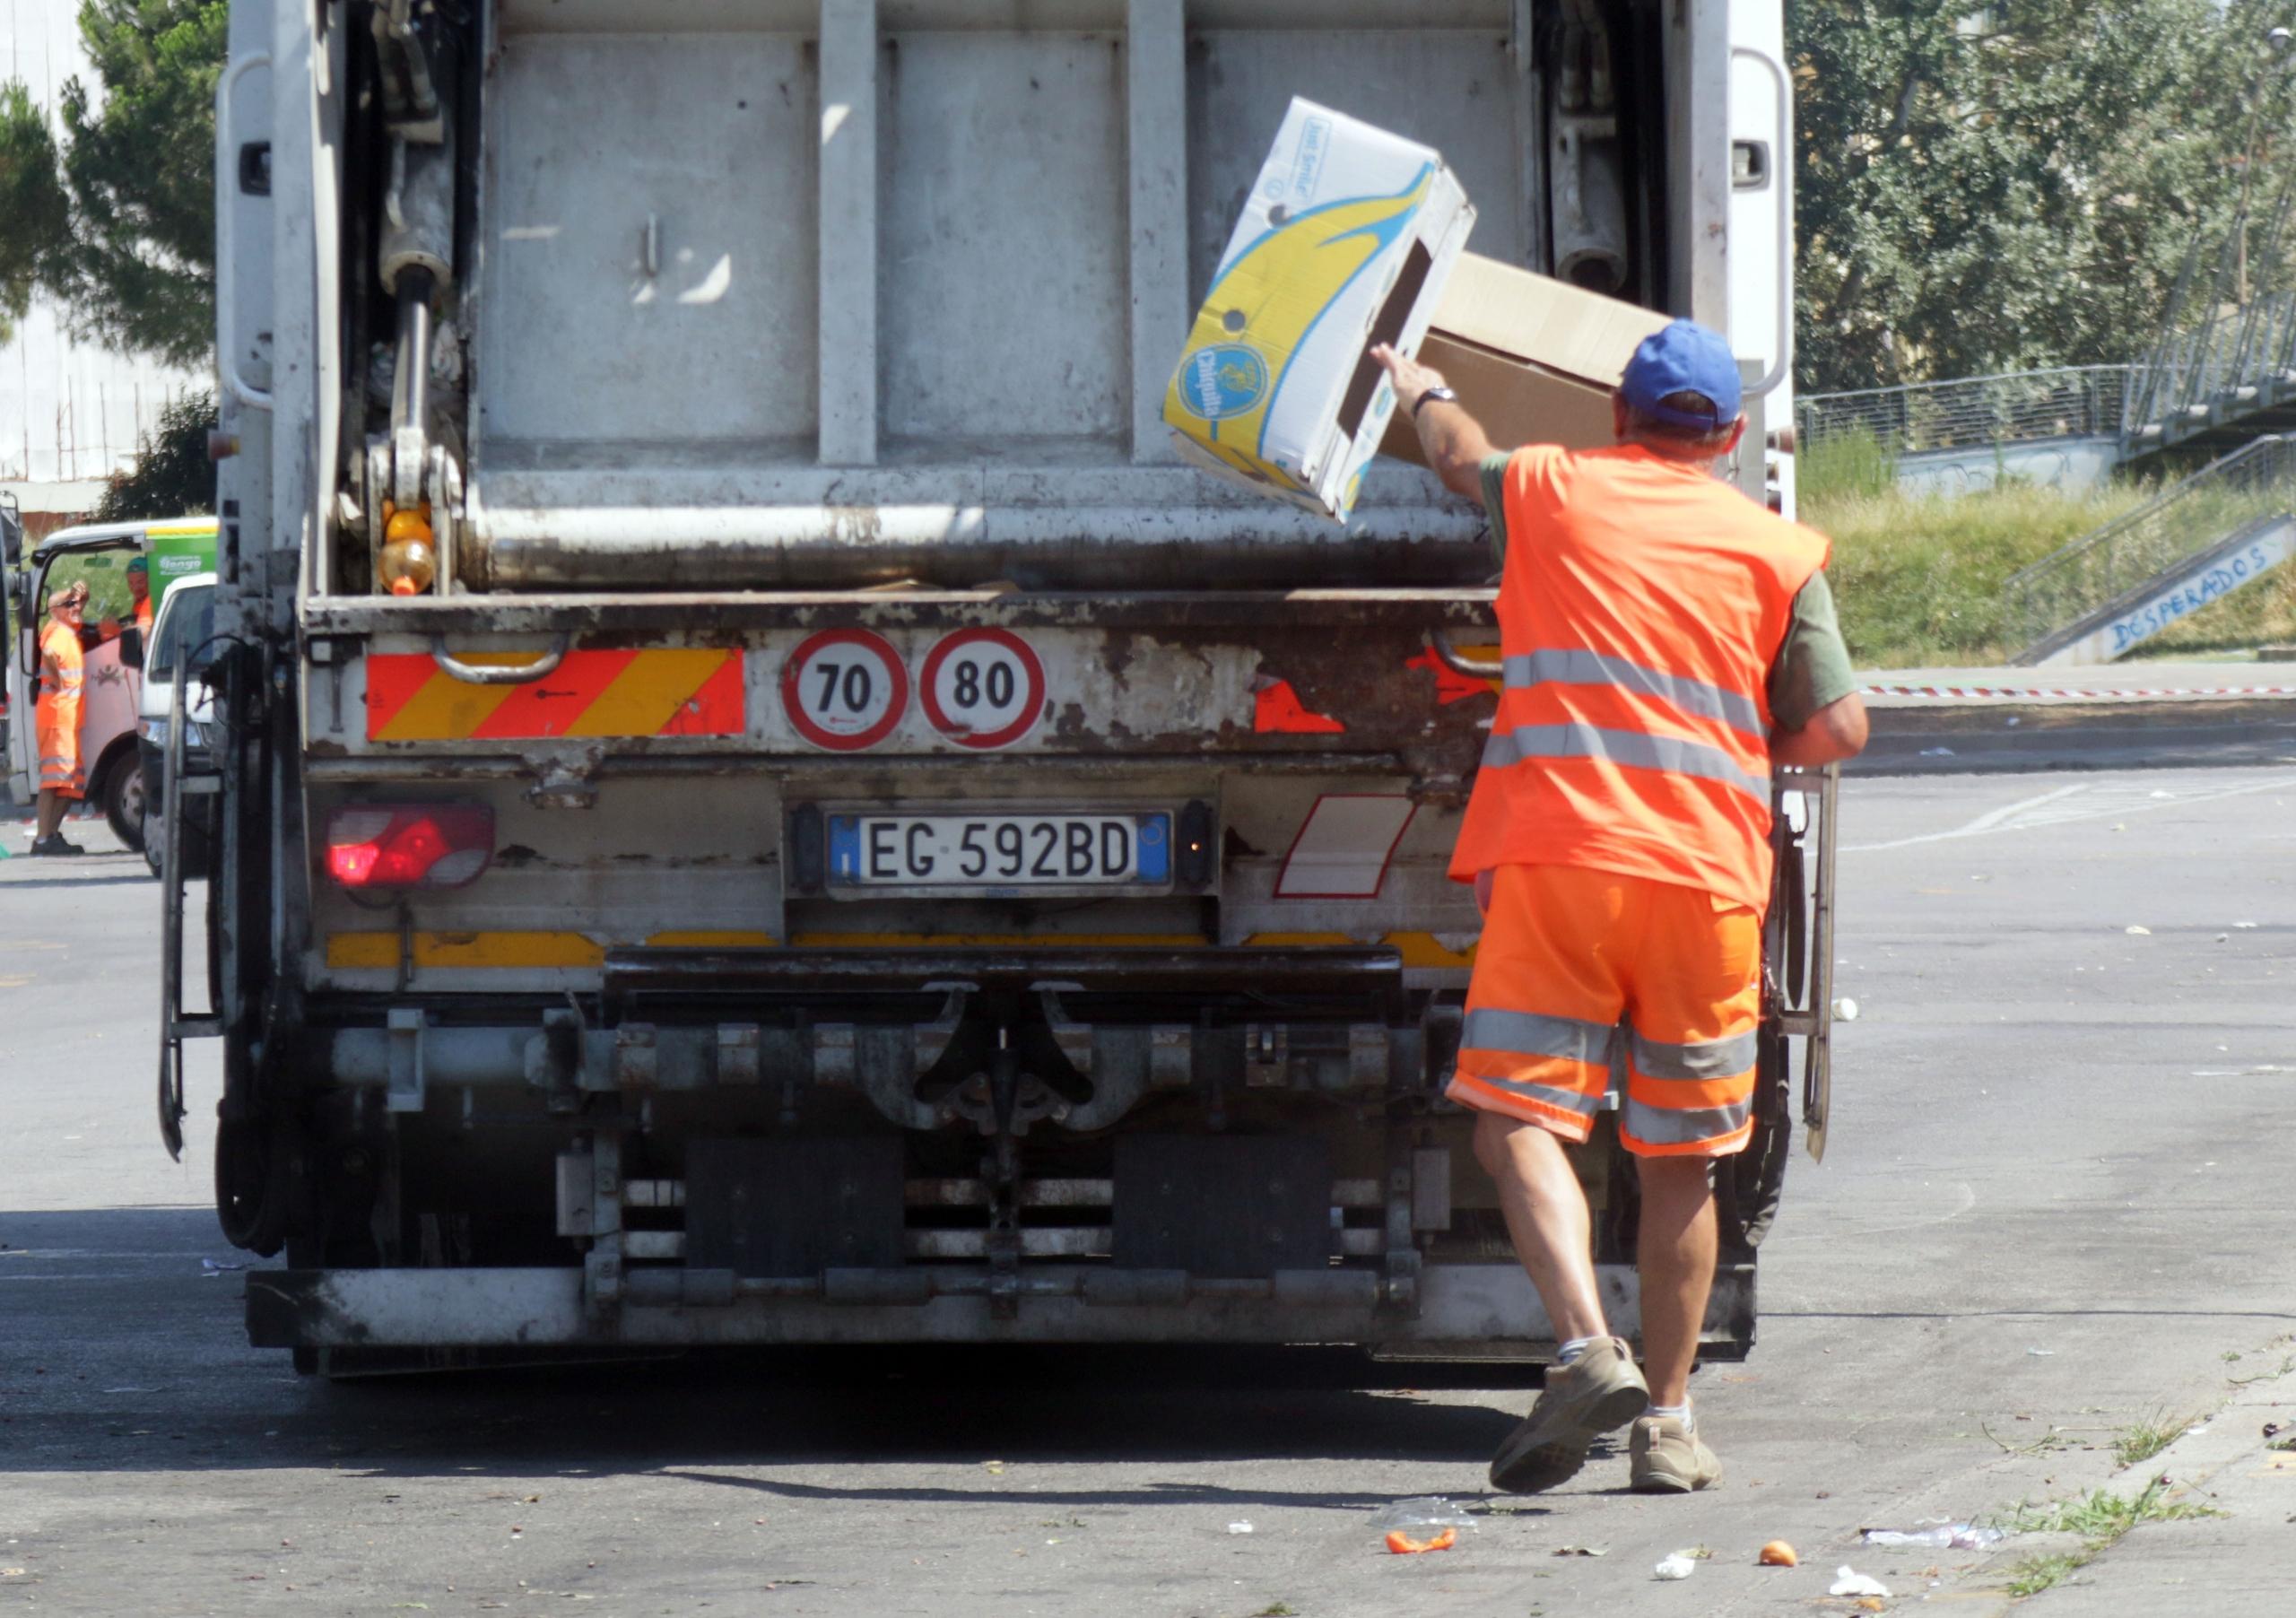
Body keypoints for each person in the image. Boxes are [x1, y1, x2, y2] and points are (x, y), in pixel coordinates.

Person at [1372, 319, 1867, 1497]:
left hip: (1561, 864)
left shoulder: (1548, 489)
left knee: (1516, 1116)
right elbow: (1841, 729)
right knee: (1682, 1162)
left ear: (1617, 419)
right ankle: (1672, 1424)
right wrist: (1745, 738)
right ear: (1732, 437)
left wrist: (1420, 382)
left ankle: (1586, 1352)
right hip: (1704, 884)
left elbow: (1456, 452)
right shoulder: (1777, 550)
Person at [32, 583, 91, 857]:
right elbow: (48, 654)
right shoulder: (57, 631)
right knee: (54, 782)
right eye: (70, 604)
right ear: (55, 611)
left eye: (77, 603)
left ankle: (51, 835)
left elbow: (75, 613)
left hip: (66, 721)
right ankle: (43, 839)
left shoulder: (67, 630)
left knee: (70, 783)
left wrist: (81, 597)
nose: (76, 608)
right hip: (57, 719)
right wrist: (55, 678)